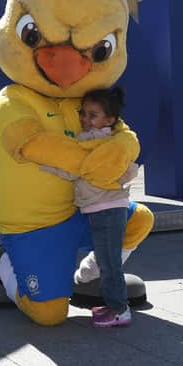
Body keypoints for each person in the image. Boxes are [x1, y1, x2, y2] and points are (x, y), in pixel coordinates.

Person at [42, 86, 137, 328]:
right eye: (83, 113)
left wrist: (43, 164)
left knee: (109, 262)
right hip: (107, 207)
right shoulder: (112, 140)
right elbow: (128, 169)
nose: (85, 119)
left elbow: (73, 167)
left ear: (110, 119)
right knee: (108, 259)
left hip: (105, 208)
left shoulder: (94, 141)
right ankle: (114, 305)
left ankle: (119, 311)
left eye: (92, 115)